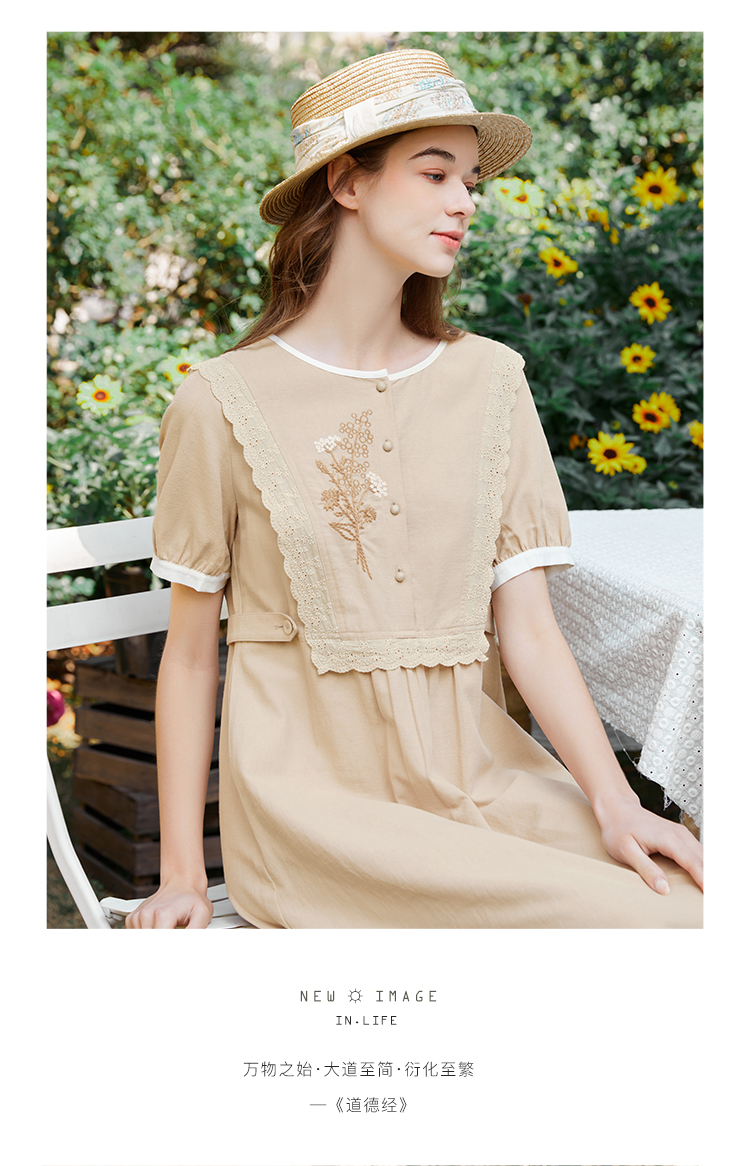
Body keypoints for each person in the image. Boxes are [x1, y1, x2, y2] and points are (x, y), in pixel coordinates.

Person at [126, 48, 702, 929]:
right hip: (317, 810)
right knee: (662, 928)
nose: (465, 201)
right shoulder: (220, 401)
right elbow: (192, 654)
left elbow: (530, 632)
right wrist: (178, 877)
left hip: (488, 779)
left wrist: (617, 803)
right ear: (347, 184)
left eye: (470, 180)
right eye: (435, 174)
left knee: (703, 904)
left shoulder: (492, 382)